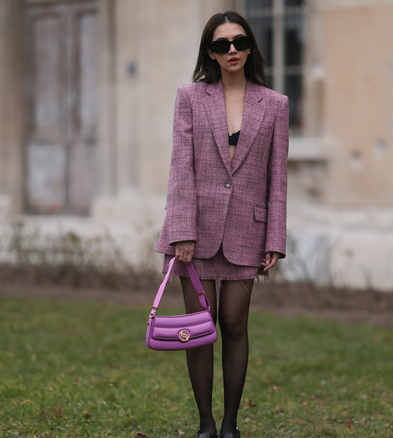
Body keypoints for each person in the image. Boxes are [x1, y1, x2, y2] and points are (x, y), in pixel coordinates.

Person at [154, 10, 289, 438]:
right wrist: (182, 232)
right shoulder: (190, 98)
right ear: (209, 53)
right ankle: (206, 426)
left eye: (239, 41)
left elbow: (277, 178)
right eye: (221, 44)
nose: (232, 50)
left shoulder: (276, 105)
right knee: (199, 329)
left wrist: (275, 239)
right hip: (195, 234)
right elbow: (181, 168)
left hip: (248, 233)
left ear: (250, 46)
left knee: (233, 324)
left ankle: (230, 425)